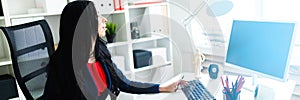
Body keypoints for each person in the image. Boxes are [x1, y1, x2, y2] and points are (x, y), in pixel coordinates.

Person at [43, 1, 185, 100]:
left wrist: (161, 87)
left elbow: (124, 82)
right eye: (97, 15)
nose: (104, 20)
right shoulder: (63, 66)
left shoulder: (100, 51)